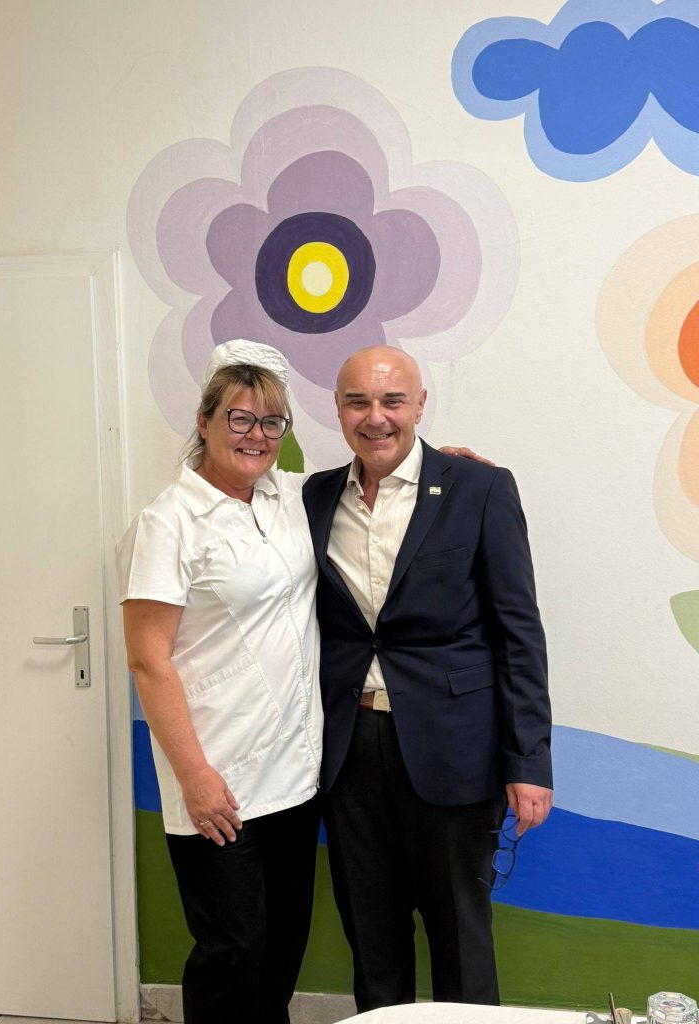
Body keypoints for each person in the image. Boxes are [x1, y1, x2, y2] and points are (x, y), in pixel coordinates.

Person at [302, 346, 553, 1012]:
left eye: (392, 401)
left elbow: (518, 632)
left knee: (460, 936)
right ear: (337, 409)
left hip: (454, 747)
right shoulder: (313, 496)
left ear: (419, 405)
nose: (375, 417)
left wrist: (529, 760)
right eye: (358, 401)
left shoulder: (479, 489)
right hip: (349, 749)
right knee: (372, 935)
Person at [116, 340, 323, 1024]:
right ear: (204, 421)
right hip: (220, 781)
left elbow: (372, 479)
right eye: (239, 418)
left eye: (271, 421)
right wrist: (195, 777)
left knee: (282, 946)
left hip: (294, 775)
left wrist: (451, 468)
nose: (256, 435)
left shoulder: (287, 497)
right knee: (232, 951)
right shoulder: (167, 523)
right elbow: (148, 660)